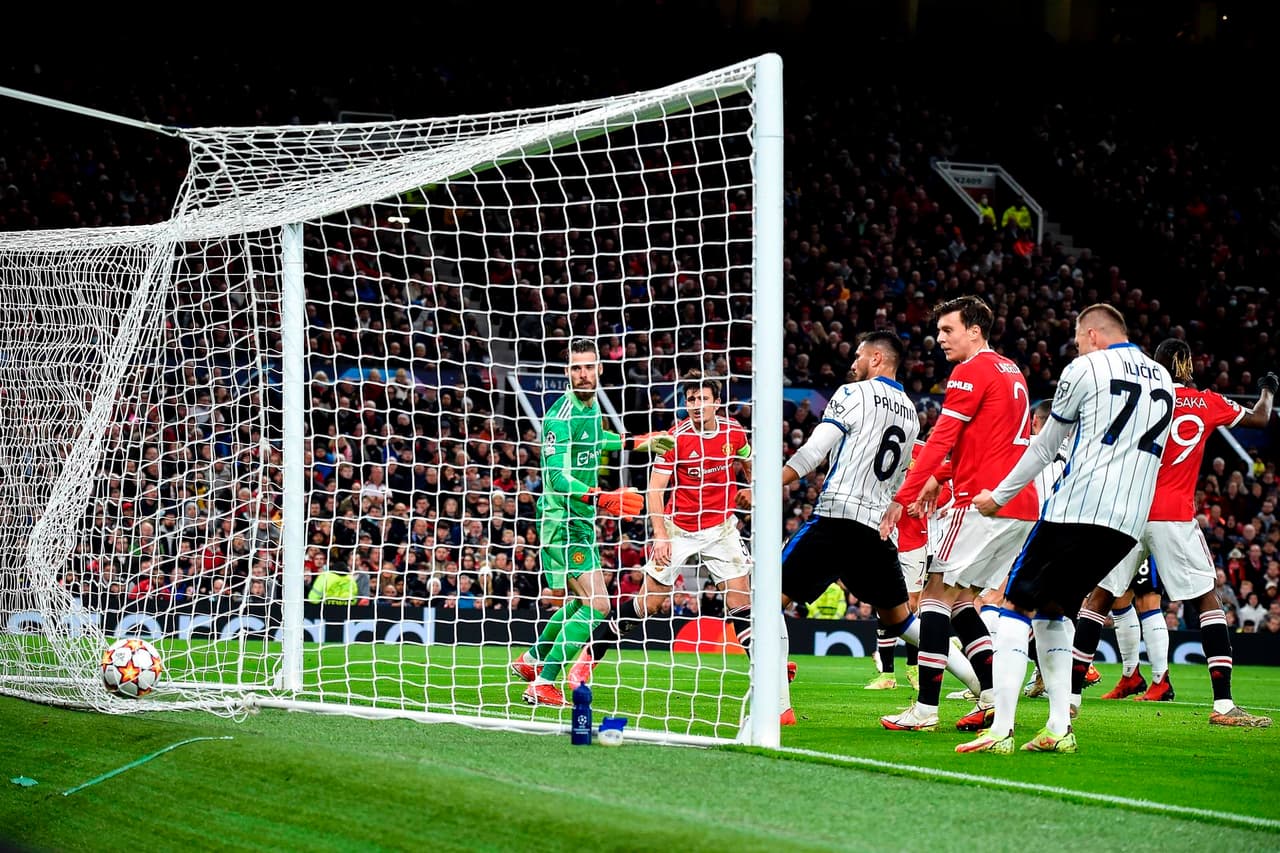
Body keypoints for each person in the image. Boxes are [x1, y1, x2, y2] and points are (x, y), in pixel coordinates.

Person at [966, 304, 1175, 754]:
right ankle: (1058, 728)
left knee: (1013, 605)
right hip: (1127, 524)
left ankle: (1000, 730)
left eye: (1078, 337)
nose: (1077, 345)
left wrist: (1000, 496)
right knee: (1053, 611)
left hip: (1077, 508)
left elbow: (1046, 445)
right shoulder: (1163, 380)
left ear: (1094, 334)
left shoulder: (1086, 367)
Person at [1067, 338, 1274, 727]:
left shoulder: (1139, 398)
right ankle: (1224, 706)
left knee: (1097, 599)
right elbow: (1262, 418)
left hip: (1125, 510)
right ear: (1188, 366)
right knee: (1206, 601)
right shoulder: (1207, 401)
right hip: (1173, 516)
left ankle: (1070, 699)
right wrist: (1267, 390)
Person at [781, 332, 984, 724]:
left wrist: (774, 482)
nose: (853, 361)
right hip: (874, 531)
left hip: (836, 518)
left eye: (858, 355)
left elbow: (813, 452)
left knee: (767, 601)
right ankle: (985, 687)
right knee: (904, 622)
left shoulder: (852, 394)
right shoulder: (909, 411)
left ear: (876, 358)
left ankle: (778, 702)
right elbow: (902, 479)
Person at [878, 296, 1041, 734]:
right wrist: (941, 476)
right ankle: (990, 695)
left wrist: (903, 496)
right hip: (1020, 503)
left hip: (980, 503)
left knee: (933, 596)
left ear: (974, 330)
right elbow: (991, 441)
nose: (940, 338)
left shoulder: (969, 371)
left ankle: (925, 709)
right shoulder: (1012, 371)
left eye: (948, 330)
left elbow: (942, 437)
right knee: (963, 601)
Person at [510, 338, 675, 707]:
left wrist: (639, 443)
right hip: (561, 518)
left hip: (579, 517)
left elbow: (597, 441)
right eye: (575, 368)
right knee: (598, 606)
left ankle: (532, 660)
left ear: (600, 369)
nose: (583, 374)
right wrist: (601, 497)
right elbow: (556, 478)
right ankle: (543, 683)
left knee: (579, 601)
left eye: (588, 367)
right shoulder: (560, 415)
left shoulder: (593, 408)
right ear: (567, 372)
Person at [567, 370, 754, 694]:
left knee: (740, 602)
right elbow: (654, 491)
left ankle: (765, 668)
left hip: (721, 527)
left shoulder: (734, 432)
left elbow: (748, 461)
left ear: (717, 403)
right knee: (648, 606)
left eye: (703, 399)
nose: (697, 406)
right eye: (691, 399)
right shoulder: (675, 437)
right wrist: (661, 535)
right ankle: (589, 656)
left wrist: (750, 489)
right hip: (678, 527)